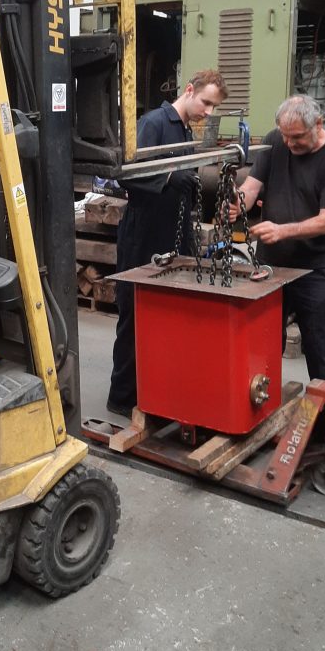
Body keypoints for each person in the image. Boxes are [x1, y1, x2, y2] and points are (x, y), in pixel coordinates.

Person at [107, 70, 229, 417]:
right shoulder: (154, 123)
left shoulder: (185, 131)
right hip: (144, 232)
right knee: (134, 314)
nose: (208, 112)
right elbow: (128, 175)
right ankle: (122, 397)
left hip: (173, 232)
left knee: (169, 317)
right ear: (189, 90)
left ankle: (158, 392)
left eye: (213, 107)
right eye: (206, 103)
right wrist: (172, 177)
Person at [229, 94, 325, 386]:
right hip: (272, 267)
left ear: (318, 124)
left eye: (296, 137)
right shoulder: (277, 140)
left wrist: (282, 230)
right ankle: (262, 410)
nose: (289, 143)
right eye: (285, 136)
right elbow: (252, 185)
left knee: (323, 355)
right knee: (263, 346)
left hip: (316, 270)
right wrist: (239, 203)